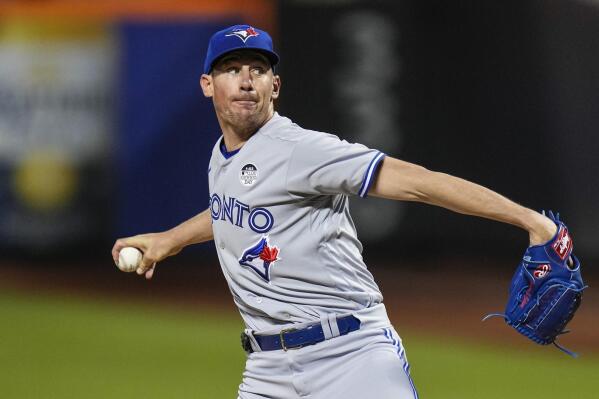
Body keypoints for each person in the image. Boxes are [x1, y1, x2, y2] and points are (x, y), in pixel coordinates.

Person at [112, 24, 558, 399]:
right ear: (208, 84)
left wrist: (528, 220)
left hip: (351, 357)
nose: (246, 80)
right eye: (231, 69)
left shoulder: (300, 150)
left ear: (275, 86)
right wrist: (169, 240)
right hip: (267, 370)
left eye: (259, 70)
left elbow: (421, 183)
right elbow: (231, 210)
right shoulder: (222, 155)